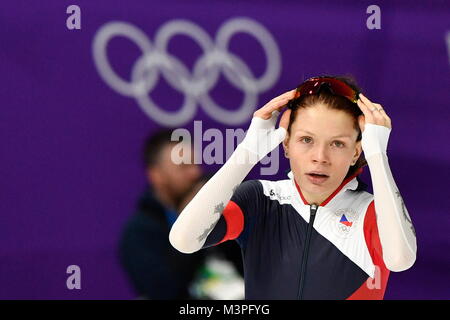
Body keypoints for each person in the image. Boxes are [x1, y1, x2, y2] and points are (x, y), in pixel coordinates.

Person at [169, 75, 417, 300]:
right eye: (306, 140)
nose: (320, 157)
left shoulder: (375, 211)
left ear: (356, 151)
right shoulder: (261, 198)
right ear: (286, 143)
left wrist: (377, 156)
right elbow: (184, 240)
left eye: (338, 144)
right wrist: (247, 152)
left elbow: (399, 260)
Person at [119, 129, 204, 299]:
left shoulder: (215, 215)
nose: (195, 173)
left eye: (195, 164)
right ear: (156, 175)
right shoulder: (139, 233)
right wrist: (191, 222)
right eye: (184, 166)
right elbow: (165, 291)